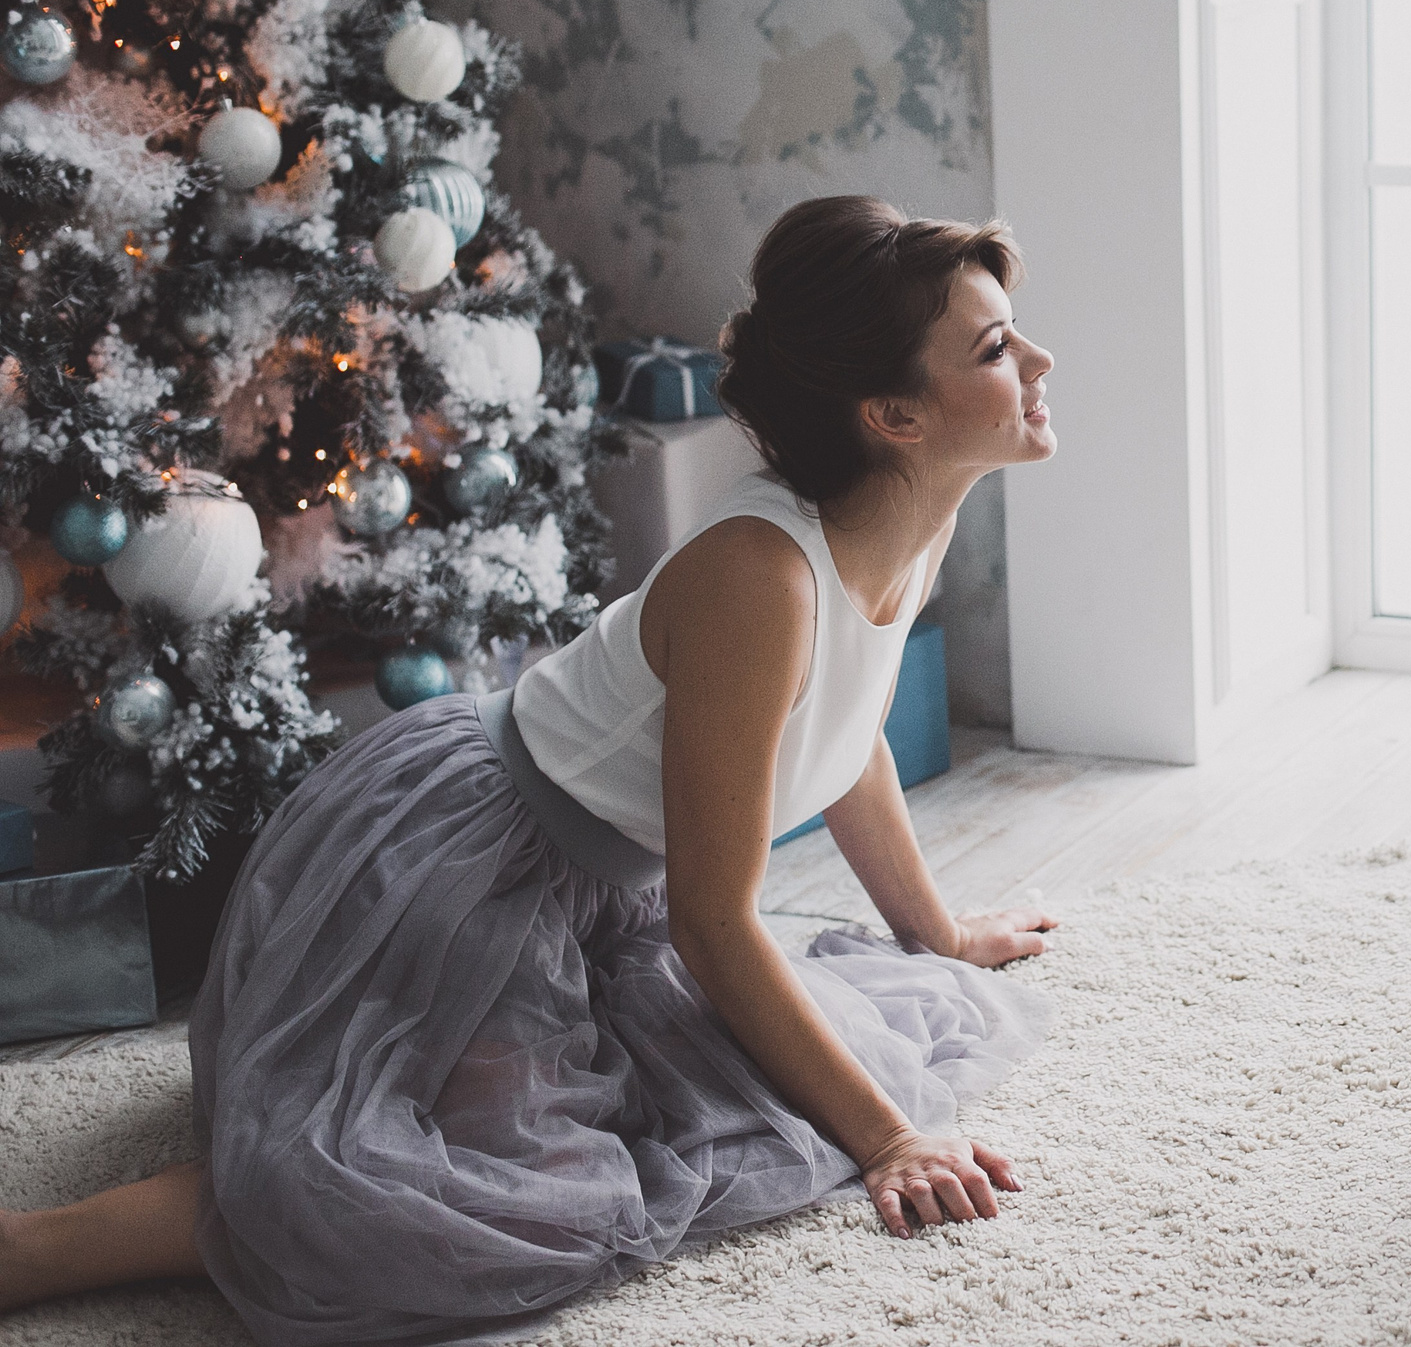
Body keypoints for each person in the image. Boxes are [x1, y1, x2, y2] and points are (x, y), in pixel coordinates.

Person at [0, 195, 1062, 1342]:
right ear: (894, 415)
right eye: (997, 349)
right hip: (463, 872)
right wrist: (890, 1139)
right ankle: (38, 1247)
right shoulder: (763, 577)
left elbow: (845, 741)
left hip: (600, 891)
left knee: (742, 1081)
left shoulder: (906, 517)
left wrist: (939, 935)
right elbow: (716, 925)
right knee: (438, 1193)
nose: (1040, 359)